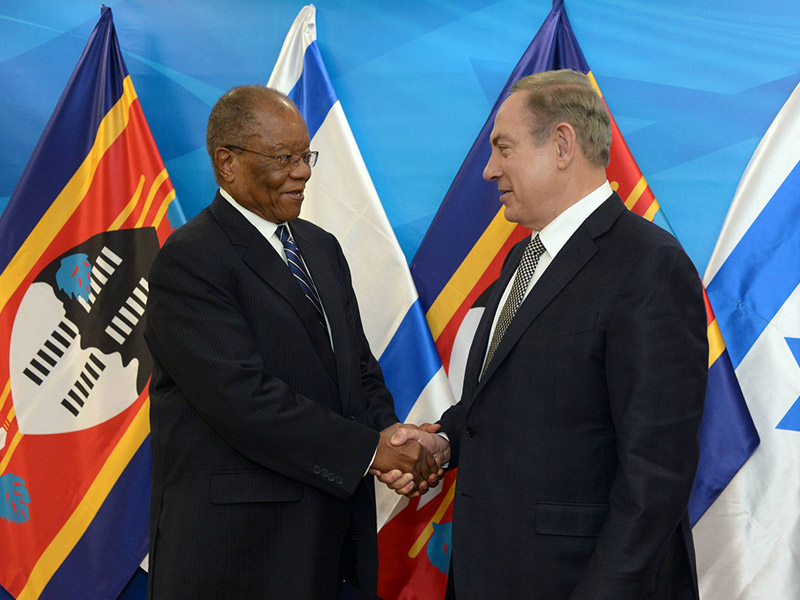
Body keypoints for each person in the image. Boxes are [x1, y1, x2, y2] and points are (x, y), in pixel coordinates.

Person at [383, 70, 708, 599]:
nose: (488, 170)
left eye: (502, 148)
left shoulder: (649, 266)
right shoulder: (523, 256)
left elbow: (656, 476)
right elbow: (513, 400)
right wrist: (441, 441)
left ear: (562, 144)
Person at [144, 85, 439, 600]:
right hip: (236, 559)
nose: (303, 170)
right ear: (227, 163)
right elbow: (244, 400)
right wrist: (373, 453)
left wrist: (389, 433)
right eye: (285, 157)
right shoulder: (191, 259)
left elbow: (358, 370)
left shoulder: (320, 247)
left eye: (306, 155)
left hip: (325, 543)